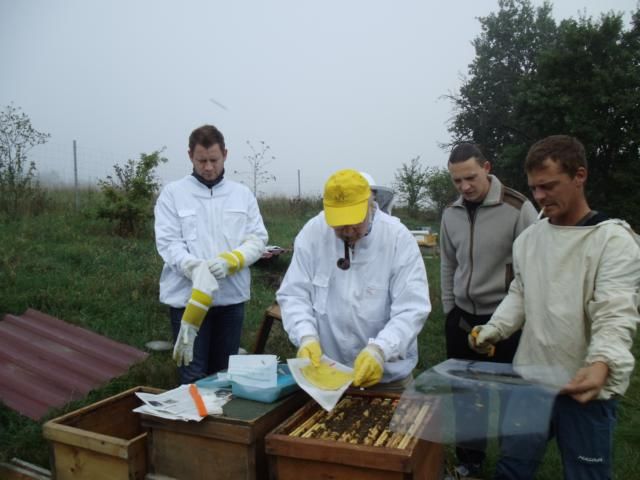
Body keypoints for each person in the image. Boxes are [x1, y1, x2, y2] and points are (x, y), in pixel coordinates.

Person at [471, 135, 640, 479]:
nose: (539, 196)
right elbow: (520, 293)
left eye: (548, 186)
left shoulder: (613, 241)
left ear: (579, 176)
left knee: (586, 474)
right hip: (530, 380)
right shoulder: (529, 240)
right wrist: (495, 328)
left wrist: (602, 362)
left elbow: (615, 312)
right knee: (512, 468)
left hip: (585, 387)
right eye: (534, 188)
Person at [277, 169, 430, 390]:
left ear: (370, 205)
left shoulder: (397, 238)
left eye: (354, 222)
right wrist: (306, 336)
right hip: (328, 375)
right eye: (339, 224)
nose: (348, 231)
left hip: (387, 379)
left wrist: (380, 350)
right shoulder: (313, 233)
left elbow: (412, 307)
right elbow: (294, 294)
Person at [440, 143, 538, 478]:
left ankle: (512, 464)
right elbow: (447, 263)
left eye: (470, 177)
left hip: (506, 321)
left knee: (511, 398)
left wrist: (522, 317)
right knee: (466, 397)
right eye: (457, 180)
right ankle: (469, 463)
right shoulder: (450, 212)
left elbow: (533, 268)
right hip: (462, 320)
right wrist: (450, 309)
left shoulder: (518, 208)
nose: (465, 187)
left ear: (486, 168)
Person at [154, 124, 268, 384]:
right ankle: (192, 409)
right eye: (201, 160)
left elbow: (258, 238)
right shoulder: (173, 194)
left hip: (230, 300)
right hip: (188, 301)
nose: (208, 167)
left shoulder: (242, 195)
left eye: (214, 160)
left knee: (224, 377)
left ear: (225, 154)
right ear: (190, 156)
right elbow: (169, 243)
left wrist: (233, 261)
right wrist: (194, 268)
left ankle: (220, 411)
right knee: (193, 377)